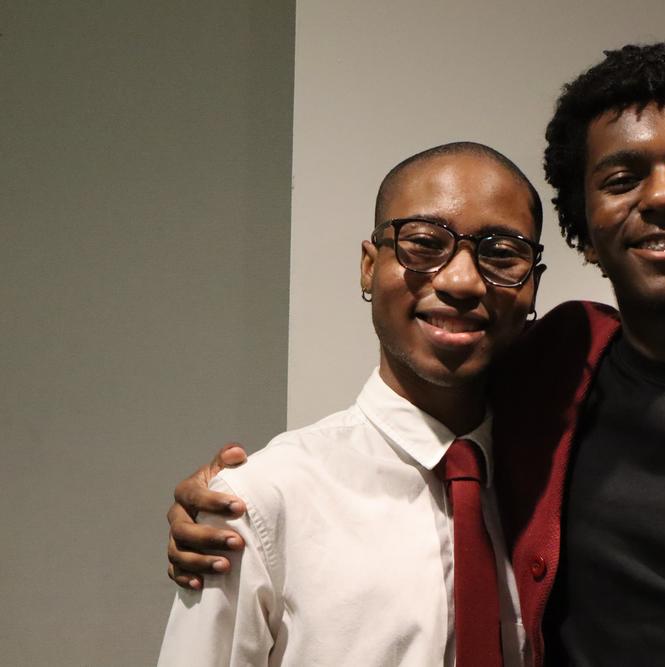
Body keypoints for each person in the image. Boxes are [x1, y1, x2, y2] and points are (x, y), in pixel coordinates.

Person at [165, 41, 665, 665]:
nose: (664, 198)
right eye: (622, 178)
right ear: (586, 233)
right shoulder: (552, 371)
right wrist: (231, 499)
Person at [158, 142, 545, 665]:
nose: (461, 281)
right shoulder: (263, 504)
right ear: (369, 267)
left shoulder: (560, 492)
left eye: (502, 254)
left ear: (533, 286)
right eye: (424, 243)